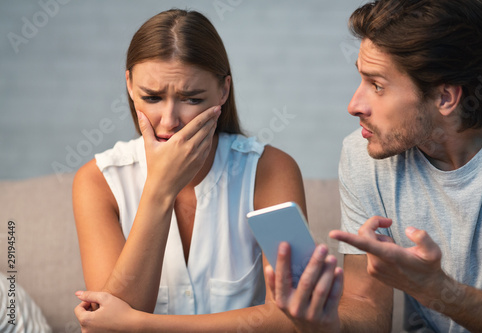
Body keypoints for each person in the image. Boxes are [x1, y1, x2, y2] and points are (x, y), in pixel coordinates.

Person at [72, 9, 315, 332]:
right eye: (152, 97)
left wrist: (143, 325)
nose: (169, 121)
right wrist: (160, 190)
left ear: (223, 92)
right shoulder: (97, 180)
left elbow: (298, 316)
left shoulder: (271, 170)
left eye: (191, 98)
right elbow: (107, 329)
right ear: (129, 86)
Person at [267, 0, 482, 332]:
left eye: (377, 85)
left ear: (445, 97)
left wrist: (436, 290)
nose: (354, 105)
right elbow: (366, 308)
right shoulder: (362, 155)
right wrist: (325, 323)